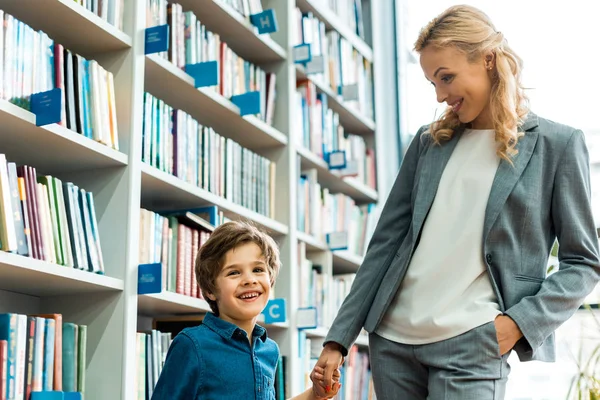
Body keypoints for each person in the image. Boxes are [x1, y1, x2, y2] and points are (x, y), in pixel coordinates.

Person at [310, 4, 600, 399]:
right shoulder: (428, 144)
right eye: (432, 83)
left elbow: (583, 261)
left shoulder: (558, 145)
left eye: (446, 78)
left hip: (473, 344)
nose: (442, 95)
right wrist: (338, 339)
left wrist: (518, 323)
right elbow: (385, 245)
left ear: (489, 60)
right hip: (393, 343)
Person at [152, 220, 341, 400]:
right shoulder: (192, 345)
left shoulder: (269, 350)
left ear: (271, 279)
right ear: (210, 290)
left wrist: (316, 394)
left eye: (258, 270)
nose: (250, 280)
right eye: (234, 272)